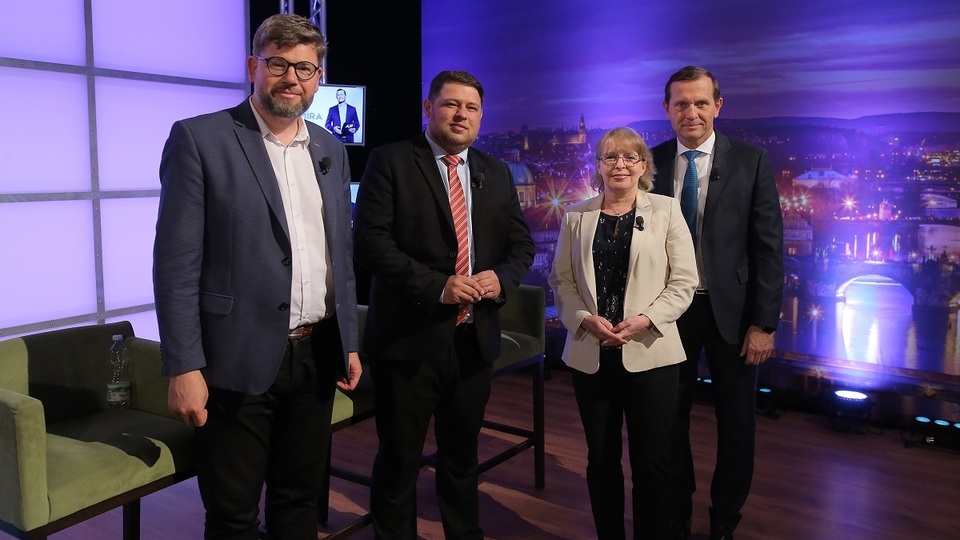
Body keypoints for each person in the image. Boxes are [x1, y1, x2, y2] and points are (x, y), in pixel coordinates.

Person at [153, 14, 362, 539]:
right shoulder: (200, 138)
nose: (292, 78)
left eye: (305, 68)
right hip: (234, 358)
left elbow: (339, 256)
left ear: (318, 78)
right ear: (254, 67)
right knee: (233, 516)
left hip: (316, 355)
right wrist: (183, 365)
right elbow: (175, 266)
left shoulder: (330, 148)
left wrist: (350, 341)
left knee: (299, 503)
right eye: (278, 64)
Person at [353, 69, 535, 540]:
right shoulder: (391, 161)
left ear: (481, 116)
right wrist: (438, 286)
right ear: (428, 108)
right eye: (451, 104)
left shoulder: (495, 172)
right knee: (400, 460)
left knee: (461, 458)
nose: (461, 115)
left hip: (473, 341)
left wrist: (501, 279)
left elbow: (521, 247)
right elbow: (370, 242)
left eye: (471, 107)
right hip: (409, 341)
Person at [651, 66, 784, 540]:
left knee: (737, 425)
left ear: (718, 106)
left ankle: (725, 520)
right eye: (681, 103)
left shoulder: (751, 161)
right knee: (668, 421)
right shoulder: (650, 162)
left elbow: (768, 248)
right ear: (667, 109)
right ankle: (676, 516)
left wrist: (763, 324)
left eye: (701, 102)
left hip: (735, 314)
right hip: (669, 313)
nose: (691, 112)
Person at [548, 127, 697, 539]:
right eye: (611, 157)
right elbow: (562, 281)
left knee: (652, 464)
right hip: (592, 353)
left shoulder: (666, 210)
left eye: (630, 157)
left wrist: (646, 319)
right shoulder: (576, 215)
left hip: (650, 352)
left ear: (644, 166)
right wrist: (583, 318)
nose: (620, 165)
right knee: (601, 460)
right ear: (598, 166)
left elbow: (684, 281)